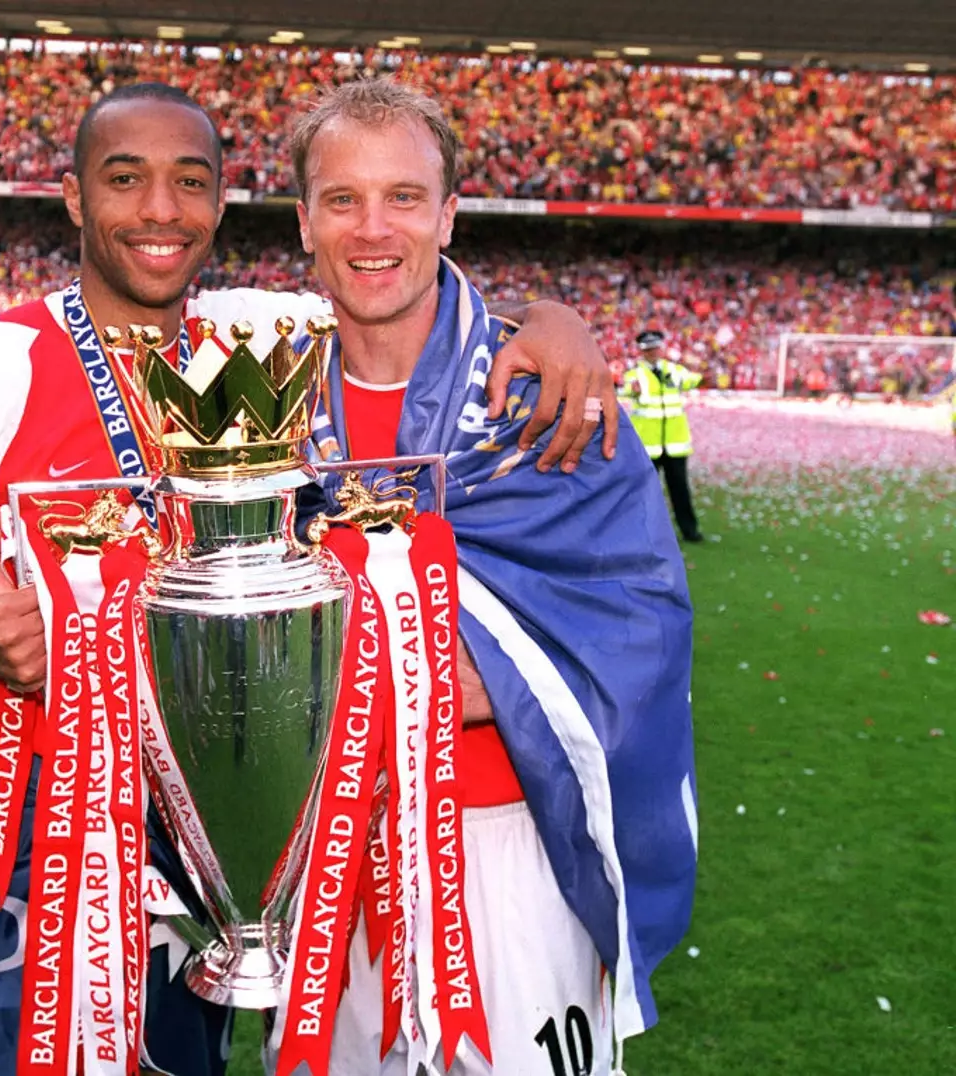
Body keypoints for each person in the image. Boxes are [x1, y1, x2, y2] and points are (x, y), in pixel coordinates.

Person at [0, 83, 616, 1076]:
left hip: (212, 846)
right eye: (125, 180)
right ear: (73, 197)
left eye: (190, 183)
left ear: (220, 204)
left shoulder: (261, 336)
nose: (160, 209)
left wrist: (556, 322)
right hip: (27, 841)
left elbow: (404, 284)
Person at [289, 79, 695, 1075]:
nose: (372, 228)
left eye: (404, 196)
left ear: (449, 213)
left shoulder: (550, 401)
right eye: (342, 199)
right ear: (304, 218)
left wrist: (451, 680)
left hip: (507, 847)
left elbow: (641, 624)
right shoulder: (265, 408)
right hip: (328, 855)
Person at [622, 329, 704, 542]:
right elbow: (625, 388)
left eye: (655, 348)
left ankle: (690, 530)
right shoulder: (635, 375)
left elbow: (695, 379)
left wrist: (697, 364)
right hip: (648, 444)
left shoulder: (674, 371)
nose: (652, 352)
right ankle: (641, 531)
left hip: (675, 443)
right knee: (645, 491)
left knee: (680, 490)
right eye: (648, 349)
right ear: (641, 351)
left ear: (661, 348)